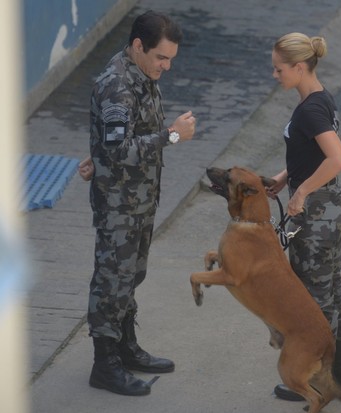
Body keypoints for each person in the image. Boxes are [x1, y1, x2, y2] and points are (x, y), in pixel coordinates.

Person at [78, 10, 196, 396]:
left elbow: (111, 142)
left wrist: (96, 153)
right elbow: (119, 150)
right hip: (119, 206)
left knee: (131, 275)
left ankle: (126, 347)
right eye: (161, 57)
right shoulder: (117, 85)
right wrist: (173, 137)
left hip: (140, 199)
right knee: (112, 280)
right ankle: (105, 363)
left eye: (171, 60)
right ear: (137, 46)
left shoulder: (142, 74)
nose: (165, 66)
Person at [267, 32, 341, 401]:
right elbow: (314, 154)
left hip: (316, 219)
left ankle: (320, 379)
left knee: (314, 300)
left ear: (299, 67)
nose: (275, 75)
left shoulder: (311, 109)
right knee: (332, 289)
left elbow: (338, 158)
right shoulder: (318, 98)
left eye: (279, 69)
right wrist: (284, 178)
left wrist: (300, 192)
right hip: (332, 210)